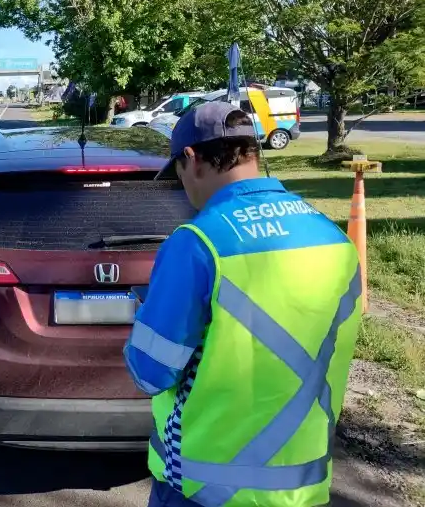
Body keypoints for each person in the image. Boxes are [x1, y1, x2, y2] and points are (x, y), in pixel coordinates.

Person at [125, 101, 363, 507]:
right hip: (301, 488)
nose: (184, 186)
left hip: (199, 489)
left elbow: (151, 374)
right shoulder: (333, 239)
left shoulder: (197, 244)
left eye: (179, 174)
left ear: (191, 158)